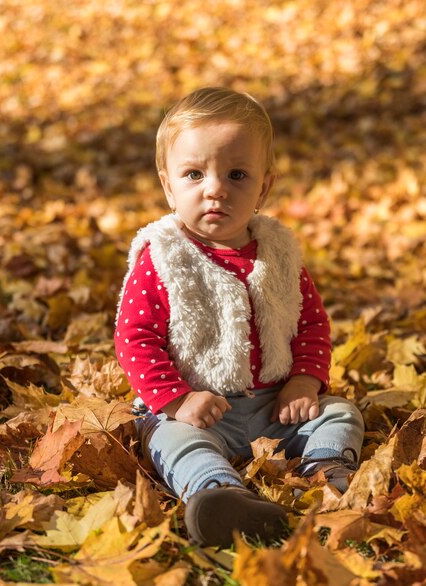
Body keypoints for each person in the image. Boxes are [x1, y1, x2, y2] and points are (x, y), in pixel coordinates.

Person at [114, 87, 364, 548]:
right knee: (173, 443)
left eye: (236, 174)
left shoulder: (279, 254)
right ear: (168, 185)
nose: (215, 189)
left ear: (263, 186)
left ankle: (328, 472)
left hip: (274, 407)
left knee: (341, 412)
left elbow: (311, 324)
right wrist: (175, 400)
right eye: (193, 174)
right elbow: (135, 339)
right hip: (196, 411)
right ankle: (217, 495)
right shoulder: (163, 258)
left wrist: (305, 382)